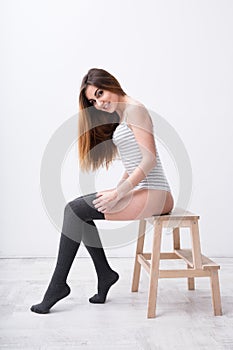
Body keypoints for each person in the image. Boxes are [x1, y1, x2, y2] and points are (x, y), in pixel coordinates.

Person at [30, 68, 174, 314]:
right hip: (144, 190)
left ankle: (59, 285)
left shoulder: (135, 110)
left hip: (156, 193)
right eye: (93, 101)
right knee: (78, 212)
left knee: (75, 211)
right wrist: (118, 189)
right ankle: (104, 274)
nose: (99, 102)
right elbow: (134, 162)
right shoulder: (124, 113)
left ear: (111, 83)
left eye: (100, 93)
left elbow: (149, 160)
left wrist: (120, 194)